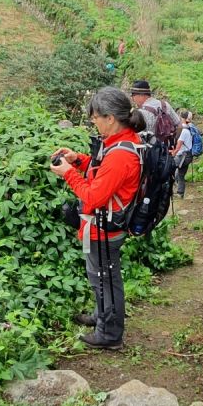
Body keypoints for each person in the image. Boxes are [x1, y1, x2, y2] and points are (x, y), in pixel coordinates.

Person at [50, 86, 145, 350]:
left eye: (95, 117)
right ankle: (101, 315)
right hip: (99, 228)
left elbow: (93, 197)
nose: (93, 121)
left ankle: (109, 335)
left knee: (105, 279)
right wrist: (77, 160)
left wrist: (68, 173)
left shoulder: (121, 155)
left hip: (103, 231)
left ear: (110, 118)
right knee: (100, 277)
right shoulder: (121, 143)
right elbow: (101, 171)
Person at [127, 79, 181, 145]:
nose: (132, 99)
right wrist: (175, 142)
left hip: (150, 152)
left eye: (133, 95)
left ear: (141, 95)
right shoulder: (165, 105)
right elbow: (180, 126)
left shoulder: (141, 113)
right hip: (166, 151)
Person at [173, 110, 201, 198]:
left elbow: (179, 145)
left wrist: (173, 153)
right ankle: (180, 193)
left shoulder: (183, 130)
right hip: (188, 155)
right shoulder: (190, 128)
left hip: (182, 156)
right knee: (181, 175)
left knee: (170, 170)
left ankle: (169, 191)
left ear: (182, 118)